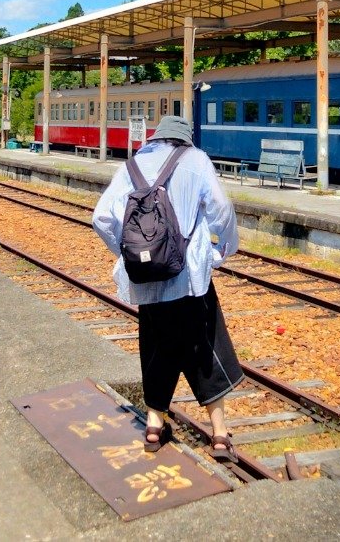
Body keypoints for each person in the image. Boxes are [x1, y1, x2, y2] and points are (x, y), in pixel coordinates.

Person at [92, 114, 244, 461]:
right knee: (204, 347)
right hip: (189, 278)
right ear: (185, 139)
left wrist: (130, 253)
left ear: (155, 138)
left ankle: (153, 425)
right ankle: (220, 436)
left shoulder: (132, 165)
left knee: (156, 347)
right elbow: (221, 210)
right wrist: (223, 248)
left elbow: (100, 217)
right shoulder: (196, 160)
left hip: (147, 280)